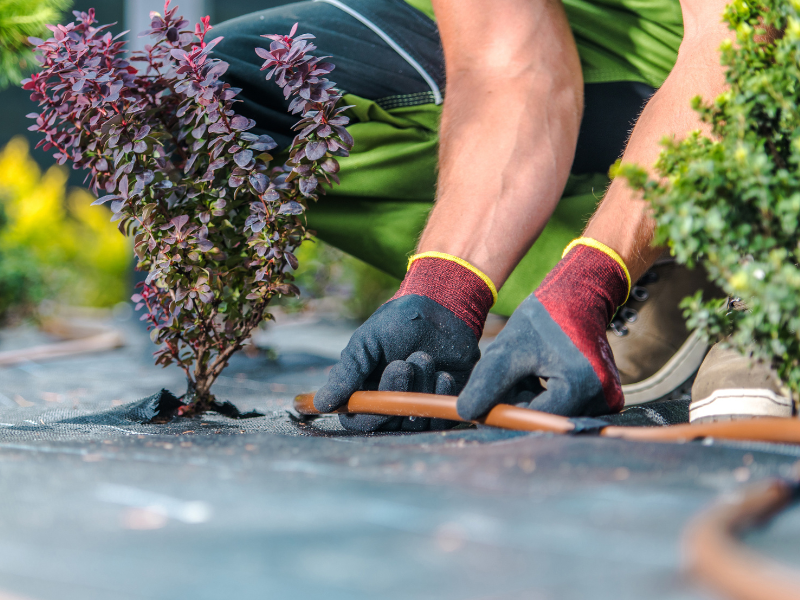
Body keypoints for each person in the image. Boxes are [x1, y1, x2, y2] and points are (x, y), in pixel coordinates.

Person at [215, 0, 792, 431]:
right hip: (626, 56)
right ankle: (676, 256)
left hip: (758, 45)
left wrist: (591, 280)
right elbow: (510, 66)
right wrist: (445, 291)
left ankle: (772, 264)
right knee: (197, 97)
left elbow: (739, 46)